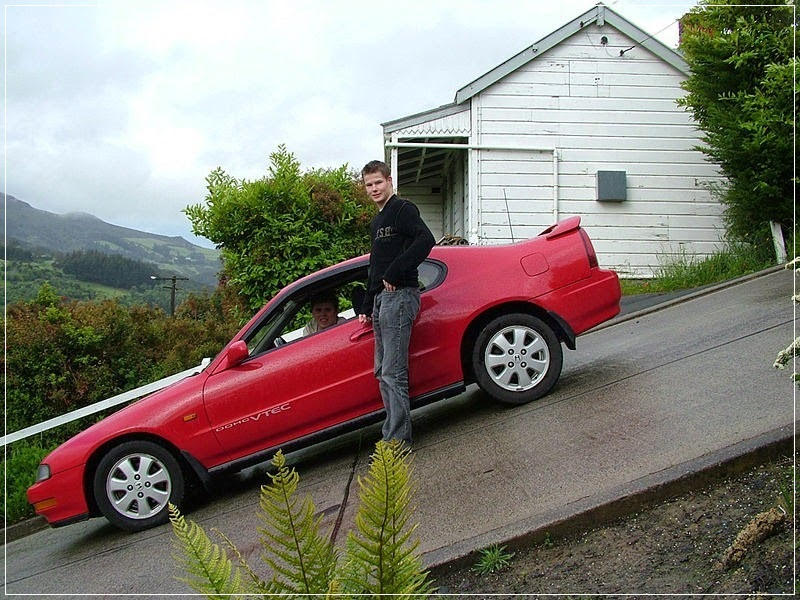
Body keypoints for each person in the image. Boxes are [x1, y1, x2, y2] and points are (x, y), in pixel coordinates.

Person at [358, 160, 435, 445]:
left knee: (393, 371)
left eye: (378, 182)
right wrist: (366, 306)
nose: (374, 188)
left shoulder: (403, 209)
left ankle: (398, 441)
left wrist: (397, 270)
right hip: (380, 301)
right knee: (382, 372)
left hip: (400, 296)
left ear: (389, 181)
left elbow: (426, 239)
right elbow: (375, 267)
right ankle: (391, 435)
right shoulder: (377, 221)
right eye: (369, 185)